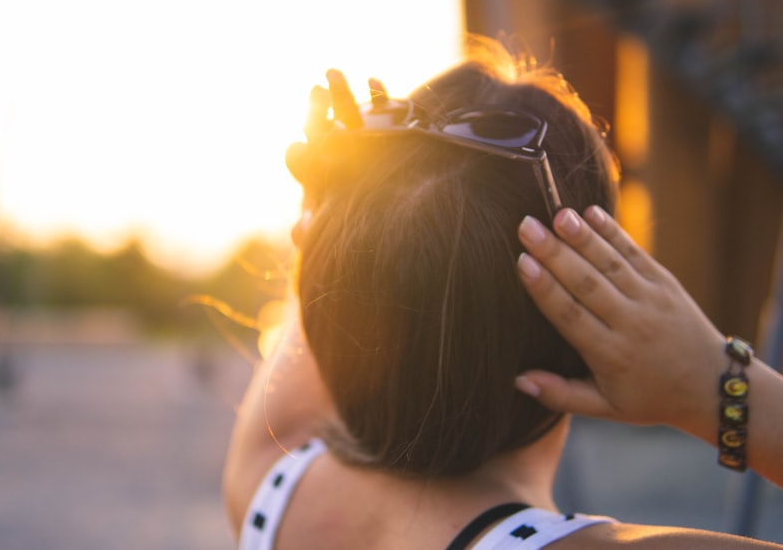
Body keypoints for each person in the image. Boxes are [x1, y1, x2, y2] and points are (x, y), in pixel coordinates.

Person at [222, 35, 783, 549]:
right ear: (585, 323)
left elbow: (336, 303)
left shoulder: (271, 486)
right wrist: (718, 386)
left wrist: (331, 215)